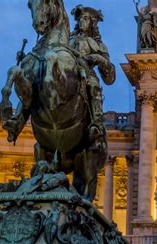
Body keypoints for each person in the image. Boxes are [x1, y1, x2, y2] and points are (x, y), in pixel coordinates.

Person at [69, 5, 116, 147]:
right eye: (80, 19)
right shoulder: (65, 39)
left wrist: (99, 58)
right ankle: (19, 118)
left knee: (93, 85)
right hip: (65, 73)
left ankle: (96, 123)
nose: (82, 22)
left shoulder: (97, 45)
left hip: (86, 74)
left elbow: (110, 77)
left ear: (92, 23)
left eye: (85, 19)